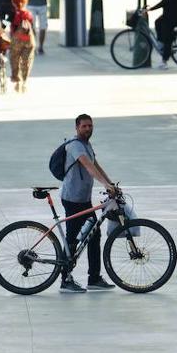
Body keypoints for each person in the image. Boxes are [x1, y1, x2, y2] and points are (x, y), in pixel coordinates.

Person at [57, 114, 118, 293]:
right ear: (77, 128)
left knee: (93, 235)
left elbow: (96, 166)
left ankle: (94, 278)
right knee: (73, 238)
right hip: (72, 198)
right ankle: (65, 279)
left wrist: (111, 183)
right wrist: (105, 185)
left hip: (83, 199)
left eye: (90, 126)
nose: (88, 129)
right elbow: (88, 167)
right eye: (84, 126)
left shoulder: (87, 145)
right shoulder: (75, 145)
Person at [8, 0, 36, 93]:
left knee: (14, 59)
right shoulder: (28, 14)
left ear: (13, 3)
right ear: (24, 2)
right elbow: (32, 28)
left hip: (16, 41)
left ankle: (17, 80)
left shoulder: (12, 14)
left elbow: (5, 24)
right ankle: (24, 82)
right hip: (29, 41)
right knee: (27, 61)